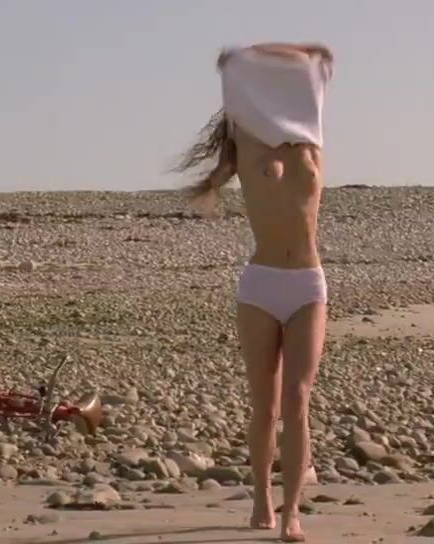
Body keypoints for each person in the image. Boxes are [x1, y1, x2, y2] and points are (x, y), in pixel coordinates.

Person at [171, 41, 334, 542]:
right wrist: (238, 59)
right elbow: (233, 61)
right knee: (264, 406)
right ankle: (262, 498)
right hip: (260, 283)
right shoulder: (244, 139)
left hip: (307, 282)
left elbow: (318, 61)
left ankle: (292, 512)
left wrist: (304, 51)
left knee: (298, 399)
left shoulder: (310, 136)